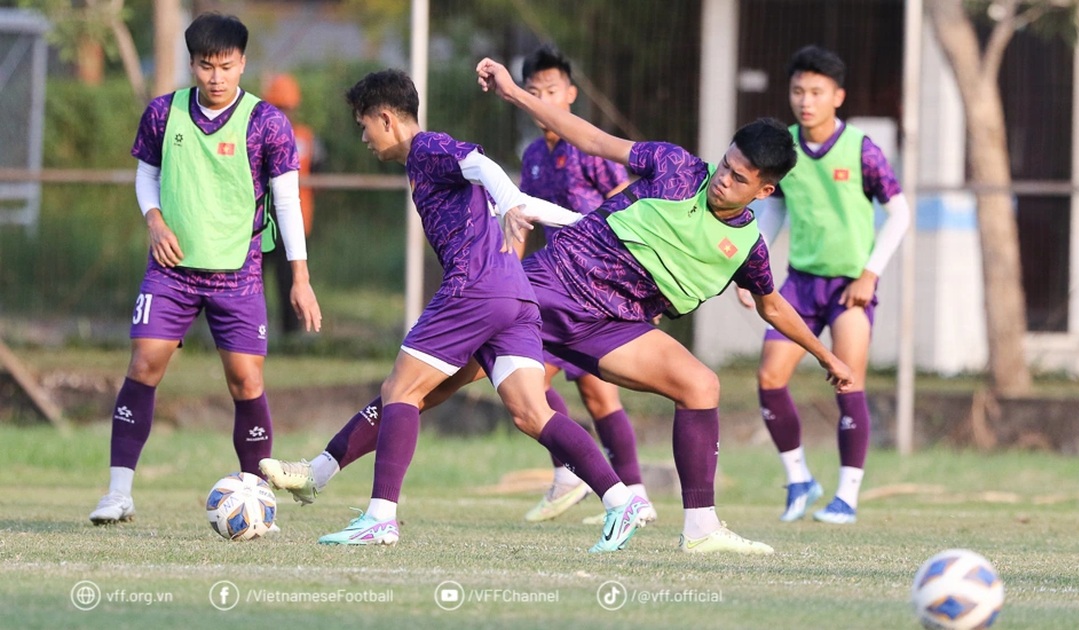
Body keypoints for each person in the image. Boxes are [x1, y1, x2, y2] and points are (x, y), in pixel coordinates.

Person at [262, 57, 857, 555]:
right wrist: (518, 95)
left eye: (737, 177)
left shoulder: (747, 245)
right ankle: (320, 472)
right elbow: (591, 136)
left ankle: (698, 527)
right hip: (548, 288)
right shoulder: (679, 168)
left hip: (615, 325)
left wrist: (823, 354)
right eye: (725, 164)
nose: (721, 178)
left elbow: (772, 304)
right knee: (430, 386)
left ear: (765, 189)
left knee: (701, 386)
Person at [299, 68, 649, 551]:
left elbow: (480, 164)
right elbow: (524, 200)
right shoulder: (420, 163)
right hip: (516, 294)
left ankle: (380, 516)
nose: (363, 137)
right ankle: (619, 497)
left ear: (385, 119)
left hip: (475, 289)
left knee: (400, 388)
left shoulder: (427, 148)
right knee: (532, 413)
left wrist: (506, 204)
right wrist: (587, 226)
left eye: (363, 125)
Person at [88, 12, 322, 526]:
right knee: (144, 363)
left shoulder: (268, 123)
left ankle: (259, 499)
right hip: (170, 271)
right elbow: (146, 178)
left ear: (243, 63)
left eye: (227, 66)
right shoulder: (162, 113)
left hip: (237, 274)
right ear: (192, 63)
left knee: (245, 380)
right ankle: (119, 492)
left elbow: (286, 202)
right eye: (205, 65)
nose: (216, 77)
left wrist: (300, 278)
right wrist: (153, 219)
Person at [738, 45, 911, 525]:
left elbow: (899, 212)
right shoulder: (784, 149)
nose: (805, 100)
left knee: (847, 381)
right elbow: (773, 207)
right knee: (770, 378)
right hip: (799, 286)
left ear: (837, 96)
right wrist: (747, 264)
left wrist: (870, 271)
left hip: (851, 287)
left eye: (816, 92)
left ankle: (847, 497)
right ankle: (798, 479)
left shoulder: (861, 149)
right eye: (798, 91)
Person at [516, 45, 651, 524]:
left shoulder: (587, 147)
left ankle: (584, 477)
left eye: (550, 90)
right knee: (581, 390)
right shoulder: (532, 155)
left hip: (598, 285)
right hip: (557, 283)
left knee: (536, 379)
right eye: (532, 92)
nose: (542, 99)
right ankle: (627, 491)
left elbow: (626, 198)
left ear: (570, 94)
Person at [262, 73, 322, 335]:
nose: (283, 113)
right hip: (261, 221)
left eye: (286, 108)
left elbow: (321, 171)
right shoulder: (259, 135)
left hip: (296, 219)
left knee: (290, 280)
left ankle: (291, 335)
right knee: (253, 280)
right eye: (279, 107)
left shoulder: (307, 137)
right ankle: (252, 332)